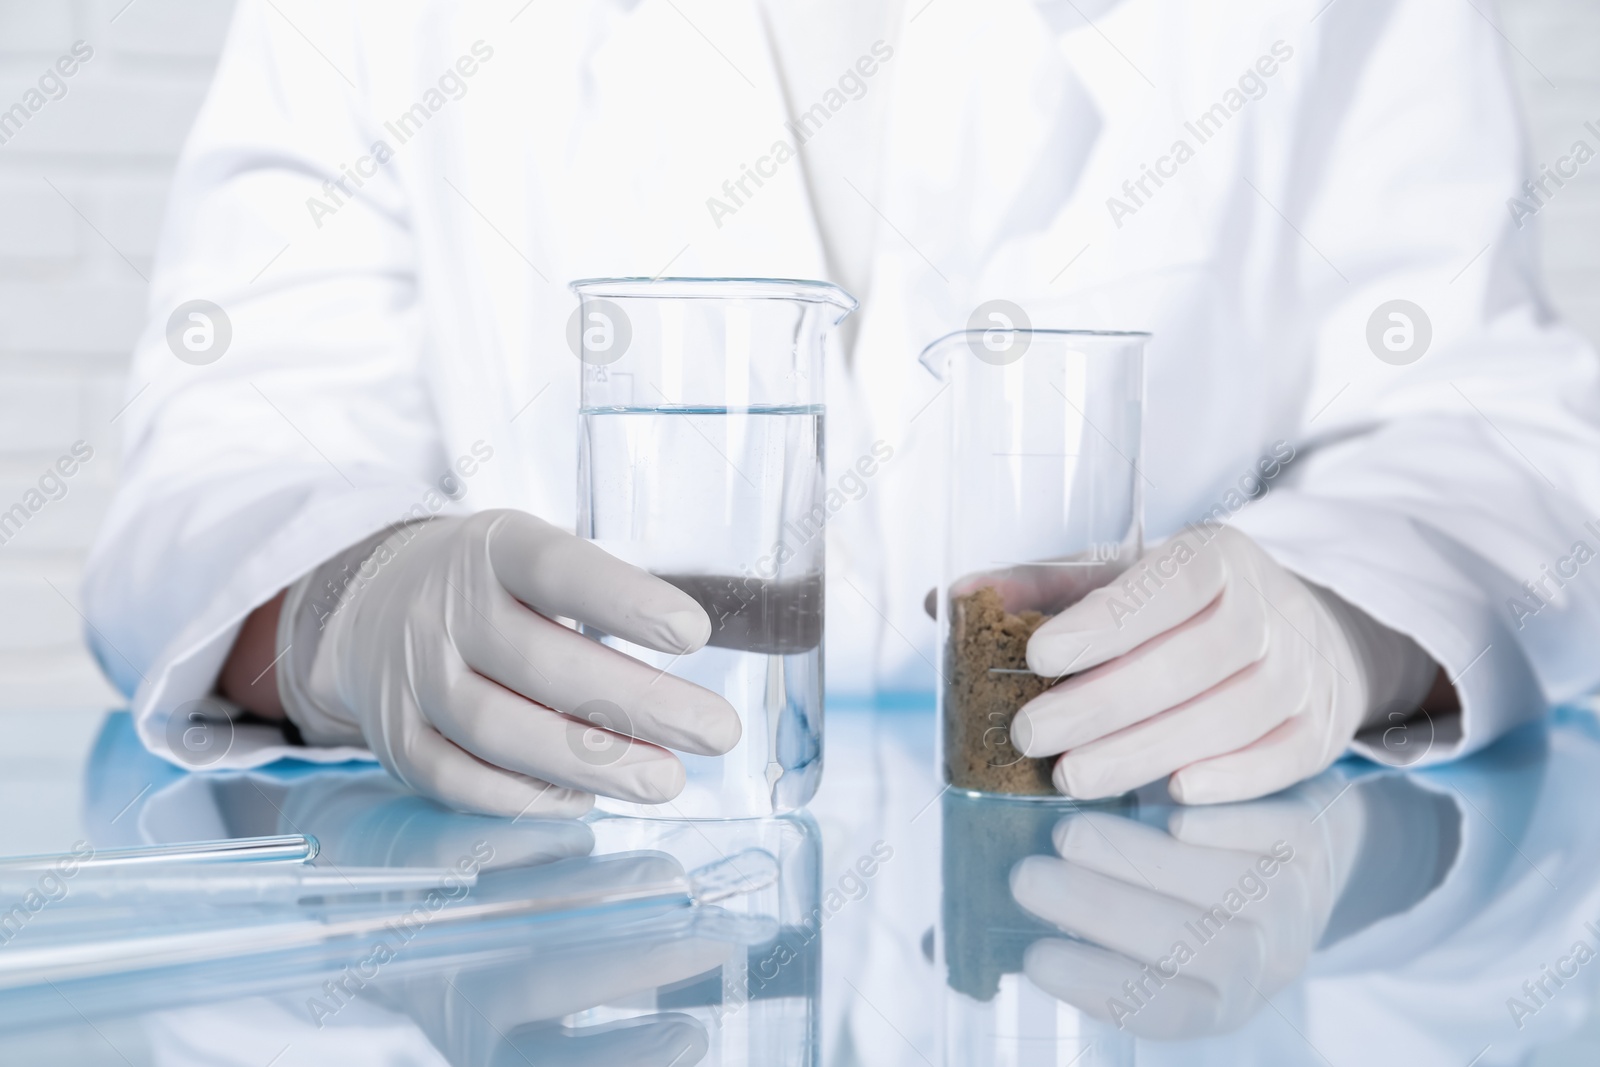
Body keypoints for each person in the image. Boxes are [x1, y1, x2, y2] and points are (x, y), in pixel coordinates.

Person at [83, 0, 1600, 815]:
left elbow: (1498, 434)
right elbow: (228, 451)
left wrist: (1349, 622)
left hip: (1145, 906)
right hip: (585, 897)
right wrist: (355, 607)